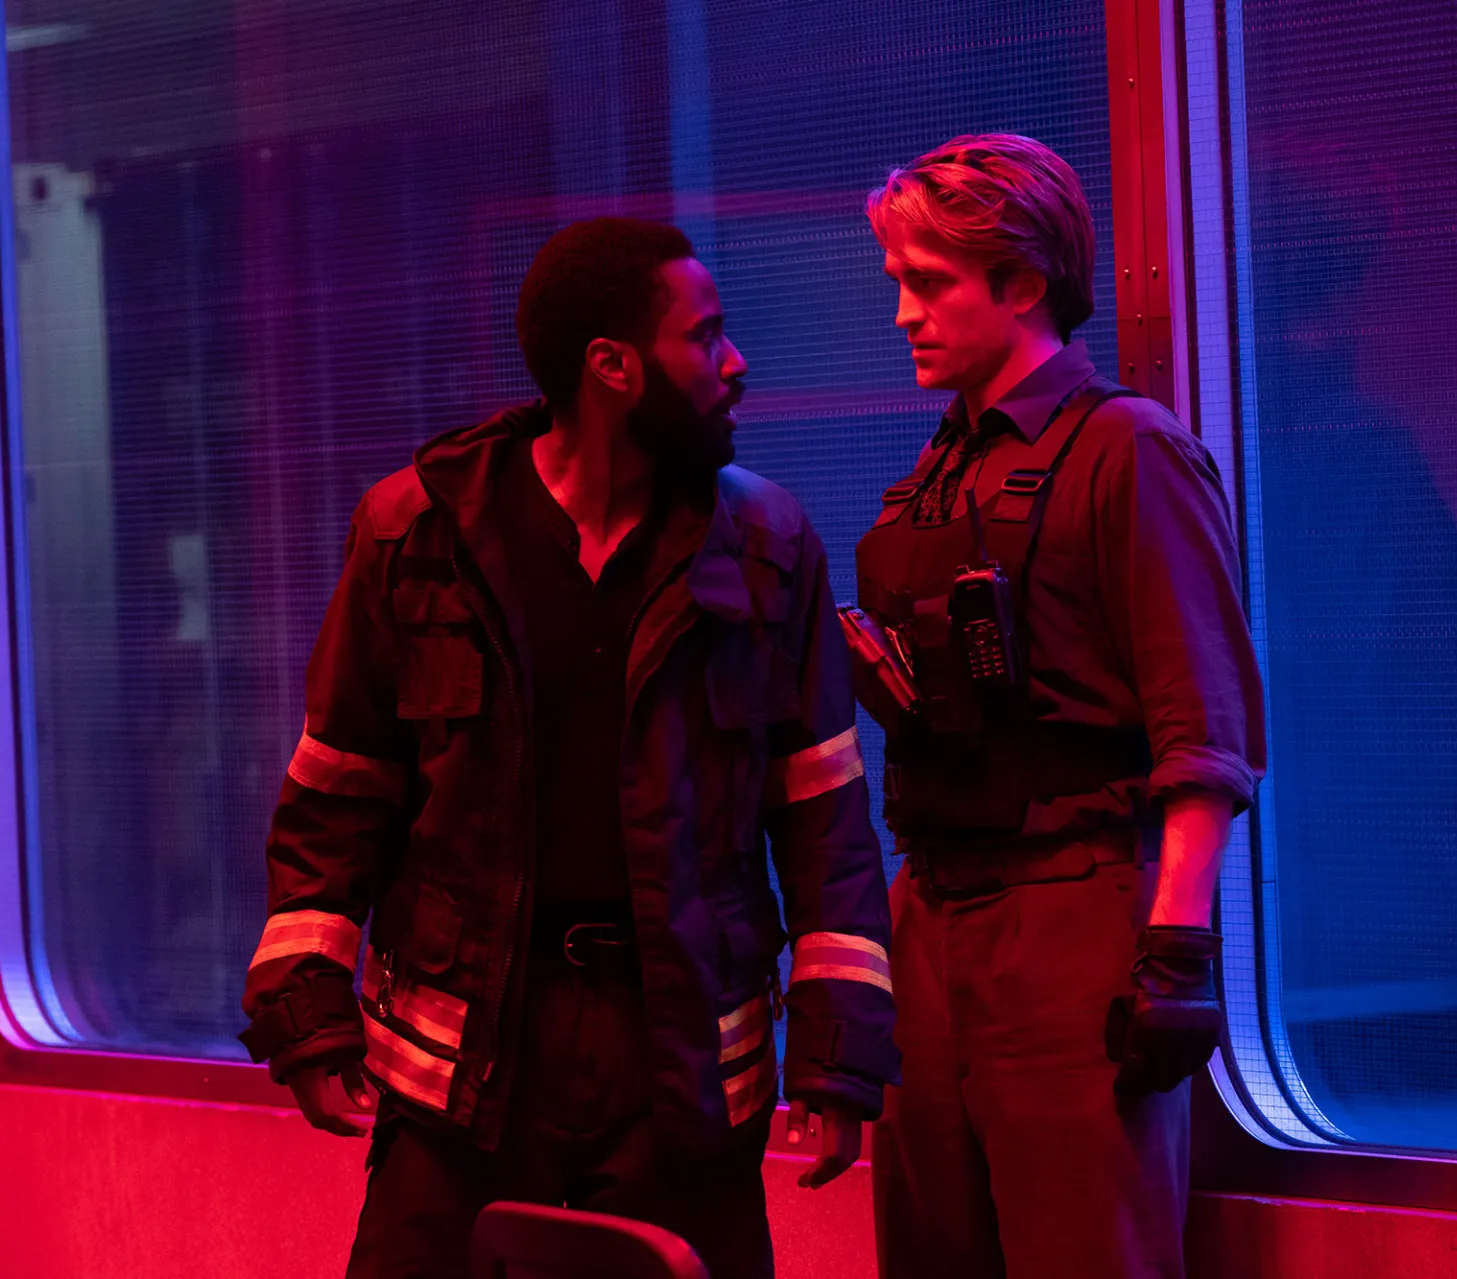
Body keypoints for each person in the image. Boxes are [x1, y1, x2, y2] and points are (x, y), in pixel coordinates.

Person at [240, 218, 899, 1279]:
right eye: (705, 336)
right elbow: (338, 789)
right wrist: (306, 1010)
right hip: (463, 1064)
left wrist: (837, 1054)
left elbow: (823, 819)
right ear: (611, 366)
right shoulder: (416, 532)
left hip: (677, 1058)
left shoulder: (766, 546)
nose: (735, 363)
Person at [846, 136, 1264, 1277]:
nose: (902, 315)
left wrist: (1174, 948)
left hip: (1069, 909)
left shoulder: (1128, 450)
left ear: (1022, 281)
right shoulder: (936, 469)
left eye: (928, 283)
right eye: (897, 282)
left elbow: (1204, 728)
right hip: (931, 903)